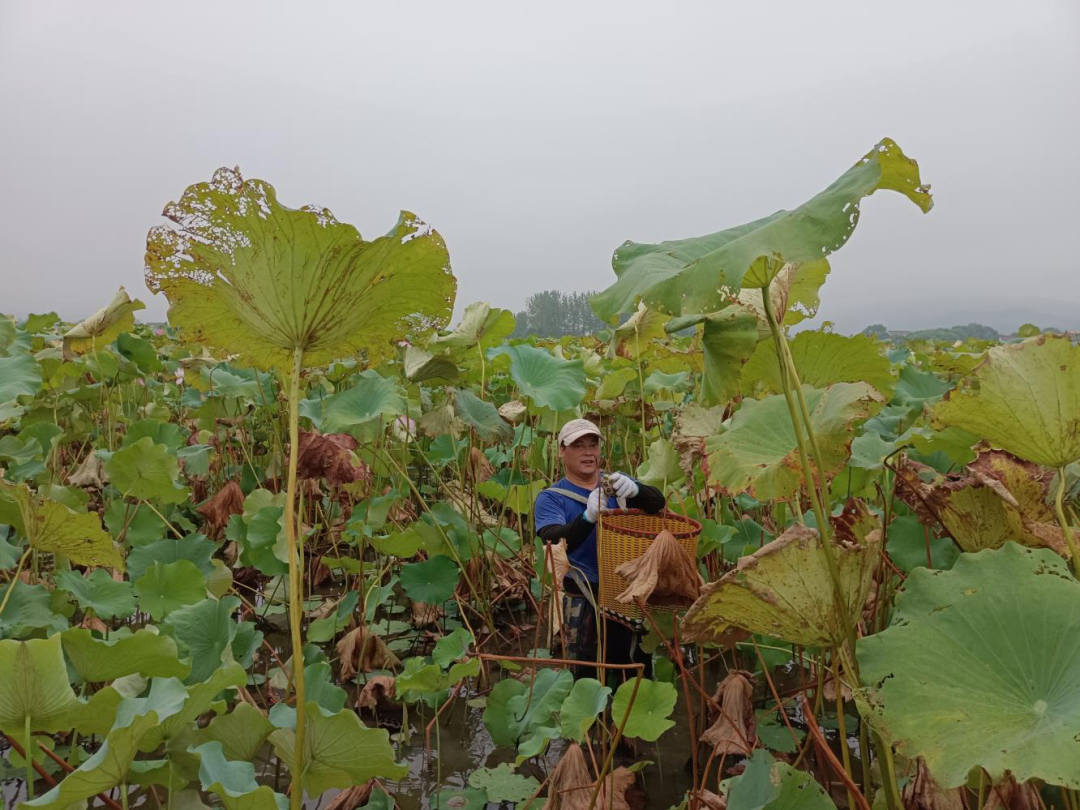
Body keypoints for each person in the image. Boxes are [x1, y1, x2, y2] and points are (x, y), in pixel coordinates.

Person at [534, 418, 666, 680]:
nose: (588, 452)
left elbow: (657, 503)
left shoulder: (616, 483)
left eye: (593, 445)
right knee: (588, 676)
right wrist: (587, 517)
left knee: (636, 671)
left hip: (626, 592)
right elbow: (552, 538)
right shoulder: (552, 497)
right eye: (579, 446)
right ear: (562, 450)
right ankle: (596, 720)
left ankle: (629, 719)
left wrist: (637, 490)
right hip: (586, 596)